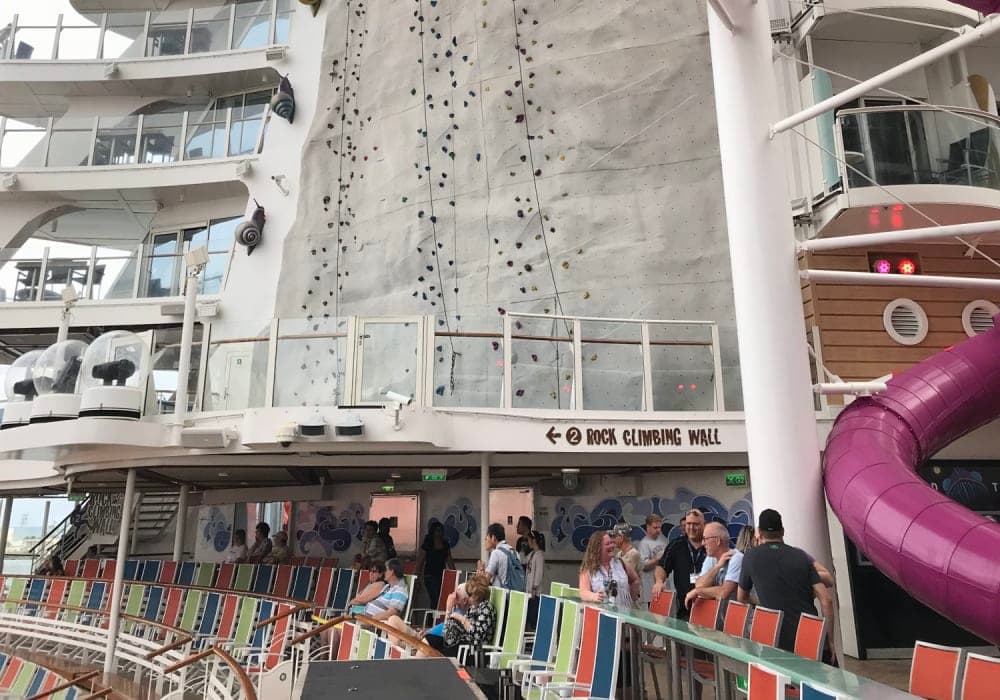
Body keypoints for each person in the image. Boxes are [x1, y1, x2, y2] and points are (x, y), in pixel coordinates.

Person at [737, 509, 835, 658]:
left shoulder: (750, 557)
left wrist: (763, 602)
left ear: (759, 532)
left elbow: (742, 598)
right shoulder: (800, 556)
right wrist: (830, 640)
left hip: (774, 636)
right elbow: (826, 600)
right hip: (809, 633)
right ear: (782, 531)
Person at [388, 573, 496, 659]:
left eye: (470, 595)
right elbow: (448, 633)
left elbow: (477, 635)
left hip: (468, 650)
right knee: (394, 621)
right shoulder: (474, 608)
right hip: (455, 643)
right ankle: (408, 660)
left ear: (477, 595)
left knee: (429, 641)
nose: (469, 598)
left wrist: (458, 616)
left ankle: (411, 664)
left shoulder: (485, 609)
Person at [329, 558, 409, 650]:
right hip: (363, 619)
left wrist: (370, 620)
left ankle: (334, 656)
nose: (384, 572)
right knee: (329, 625)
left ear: (392, 572)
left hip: (372, 625)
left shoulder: (400, 590)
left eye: (386, 569)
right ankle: (326, 656)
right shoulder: (388, 588)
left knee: (336, 628)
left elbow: (391, 613)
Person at [652, 509, 706, 620]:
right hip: (684, 606)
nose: (691, 527)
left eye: (695, 524)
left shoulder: (710, 544)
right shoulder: (676, 545)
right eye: (688, 524)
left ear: (703, 524)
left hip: (708, 605)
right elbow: (662, 566)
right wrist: (659, 581)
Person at [684, 521, 743, 611]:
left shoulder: (736, 558)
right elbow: (699, 584)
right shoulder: (711, 558)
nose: (703, 543)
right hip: (720, 615)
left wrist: (698, 592)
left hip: (738, 615)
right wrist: (717, 567)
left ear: (717, 541)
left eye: (705, 539)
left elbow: (724, 593)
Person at [579, 531, 640, 610]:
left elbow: (635, 579)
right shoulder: (588, 568)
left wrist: (631, 598)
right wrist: (594, 596)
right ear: (598, 548)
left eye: (612, 543)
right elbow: (583, 592)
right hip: (601, 613)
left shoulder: (621, 563)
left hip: (624, 614)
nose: (612, 546)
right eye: (607, 544)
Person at [416, 521, 455, 607]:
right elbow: (420, 562)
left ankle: (435, 614)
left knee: (440, 598)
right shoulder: (427, 544)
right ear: (433, 531)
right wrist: (417, 577)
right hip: (430, 576)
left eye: (441, 530)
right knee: (435, 598)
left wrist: (455, 574)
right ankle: (433, 615)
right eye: (437, 530)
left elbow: (449, 561)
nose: (439, 533)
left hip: (442, 575)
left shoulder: (445, 545)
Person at [477, 522, 525, 591]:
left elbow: (485, 581)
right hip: (515, 594)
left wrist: (481, 570)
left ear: (493, 538)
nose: (485, 540)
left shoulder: (496, 553)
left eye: (487, 537)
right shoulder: (514, 552)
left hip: (502, 594)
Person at [638, 514, 669, 606]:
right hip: (652, 588)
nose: (658, 530)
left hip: (665, 586)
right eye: (655, 527)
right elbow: (644, 566)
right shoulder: (644, 543)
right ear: (648, 527)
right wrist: (658, 559)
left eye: (659, 527)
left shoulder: (663, 540)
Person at [525, 530, 546, 627]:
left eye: (529, 540)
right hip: (529, 591)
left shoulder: (540, 555)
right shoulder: (532, 554)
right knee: (529, 615)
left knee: (533, 616)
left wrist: (534, 587)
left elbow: (539, 573)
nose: (528, 542)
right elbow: (524, 560)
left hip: (535, 592)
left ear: (533, 540)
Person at [613, 522, 641, 591]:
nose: (613, 540)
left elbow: (626, 577)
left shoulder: (633, 554)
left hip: (631, 594)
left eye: (615, 536)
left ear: (621, 537)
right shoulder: (619, 554)